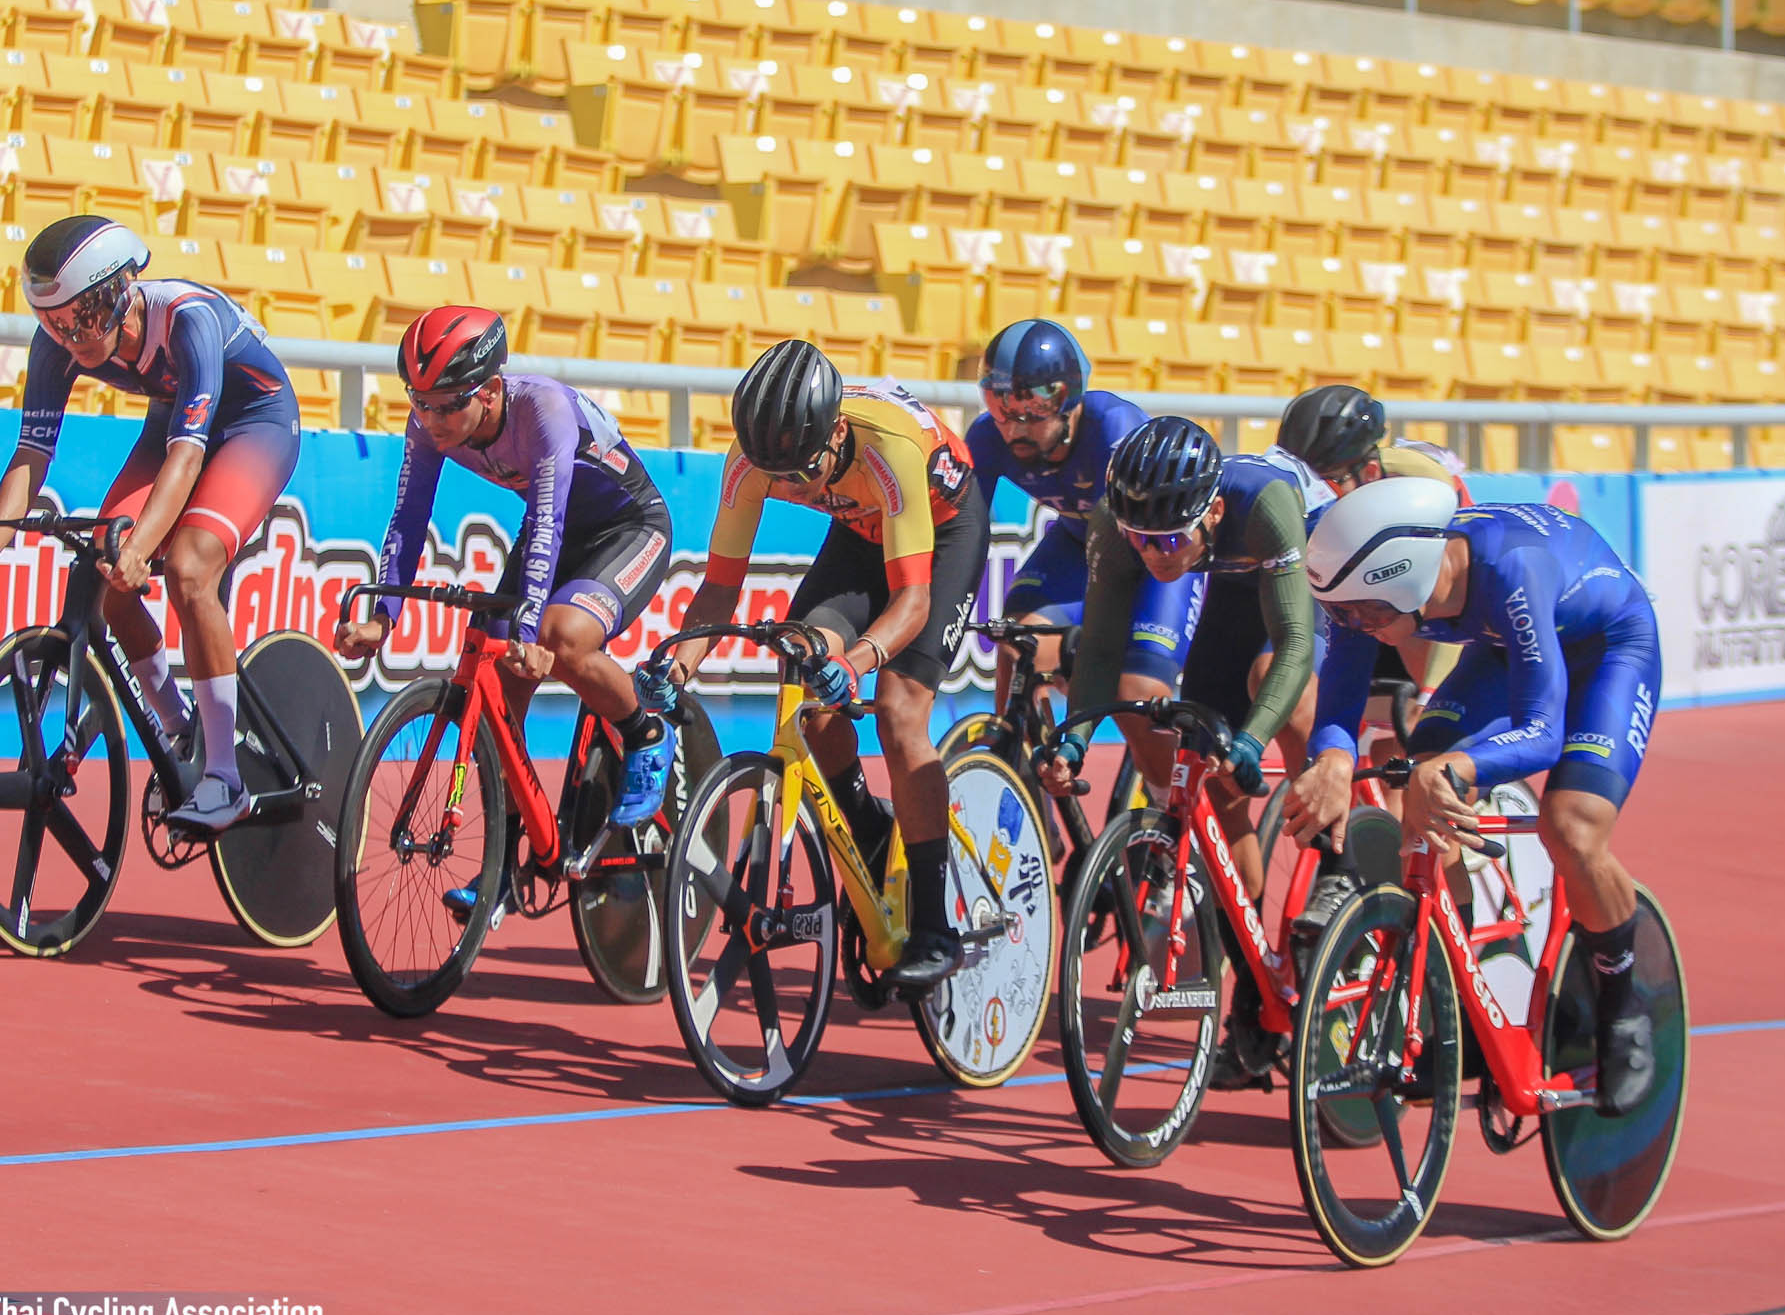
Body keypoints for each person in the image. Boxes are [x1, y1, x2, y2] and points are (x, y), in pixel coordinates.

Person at [1285, 477, 1660, 1116]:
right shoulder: (1366, 580)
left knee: (1570, 826)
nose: (1357, 627)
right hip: (1504, 648)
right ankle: (1463, 1007)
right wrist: (1332, 758)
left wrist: (1459, 766)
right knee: (1416, 781)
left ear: (1405, 578)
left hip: (1608, 651)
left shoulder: (1510, 569)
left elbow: (1542, 734)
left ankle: (1624, 1006)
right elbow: (1341, 689)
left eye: (1366, 614)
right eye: (1343, 615)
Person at [0, 215, 301, 833]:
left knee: (187, 567)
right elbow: (30, 456)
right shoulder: (57, 345)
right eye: (55, 323)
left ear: (121, 291)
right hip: (175, 420)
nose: (72, 337)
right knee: (108, 575)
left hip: (255, 421)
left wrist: (145, 547)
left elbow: (188, 455)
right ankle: (183, 733)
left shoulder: (188, 319)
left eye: (83, 317)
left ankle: (226, 779)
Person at [637, 340, 988, 993]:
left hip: (942, 531)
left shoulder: (890, 447)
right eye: (780, 478)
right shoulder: (753, 460)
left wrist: (855, 662)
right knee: (803, 664)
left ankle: (937, 926)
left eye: (802, 472)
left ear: (838, 430)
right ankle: (872, 831)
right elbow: (718, 589)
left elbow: (912, 602)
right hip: (859, 536)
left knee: (898, 708)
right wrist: (678, 667)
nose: (792, 486)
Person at [334, 307, 676, 918]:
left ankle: (646, 731)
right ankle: (508, 867)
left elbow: (547, 524)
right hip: (556, 531)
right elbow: (408, 518)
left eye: (445, 405)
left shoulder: (542, 410)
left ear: (490, 391)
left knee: (559, 637)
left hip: (628, 527)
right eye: (419, 403)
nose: (430, 420)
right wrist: (383, 617)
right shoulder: (429, 426)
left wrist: (528, 632)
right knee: (494, 680)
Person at [1040, 415, 1334, 1087]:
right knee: (1209, 769)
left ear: (1214, 510)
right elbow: (1105, 647)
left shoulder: (1265, 503)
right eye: (1142, 541)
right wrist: (1076, 740)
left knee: (1274, 686)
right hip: (1232, 579)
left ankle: (1338, 852)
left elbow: (1293, 644)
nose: (1155, 556)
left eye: (1170, 539)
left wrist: (1256, 739)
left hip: (1317, 568)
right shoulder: (1124, 524)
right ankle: (1256, 994)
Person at [1273, 384, 1475, 932]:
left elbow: (1450, 608)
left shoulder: (1423, 484)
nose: (1321, 492)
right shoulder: (1305, 494)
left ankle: (1453, 940)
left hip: (1429, 621)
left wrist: (1429, 702)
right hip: (1363, 613)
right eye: (1310, 477)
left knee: (1419, 779)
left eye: (1331, 478)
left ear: (1369, 467)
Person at [966, 319, 1203, 716]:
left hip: (1154, 556)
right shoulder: (988, 437)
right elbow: (964, 532)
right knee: (1018, 643)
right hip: (1079, 544)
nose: (1014, 427)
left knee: (1136, 689)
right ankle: (1024, 766)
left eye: (1033, 410)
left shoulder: (1114, 429)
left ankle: (1165, 782)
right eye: (1000, 407)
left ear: (1069, 402)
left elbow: (1132, 554)